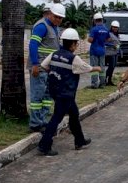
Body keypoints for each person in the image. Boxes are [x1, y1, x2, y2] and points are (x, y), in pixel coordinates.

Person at [37, 28, 101, 156]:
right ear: (72, 44)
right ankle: (44, 145)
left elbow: (43, 66)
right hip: (66, 93)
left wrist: (54, 73)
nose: (76, 46)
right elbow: (85, 68)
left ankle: (80, 140)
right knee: (56, 118)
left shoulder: (54, 54)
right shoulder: (73, 58)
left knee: (74, 114)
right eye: (76, 43)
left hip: (55, 90)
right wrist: (97, 68)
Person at [28, 3, 65, 132]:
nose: (58, 20)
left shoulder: (55, 28)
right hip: (40, 67)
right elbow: (33, 45)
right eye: (56, 17)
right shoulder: (41, 26)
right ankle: (35, 123)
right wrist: (35, 64)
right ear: (50, 14)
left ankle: (43, 120)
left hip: (50, 68)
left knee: (47, 96)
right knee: (37, 95)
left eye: (61, 18)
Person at [87, 12, 109, 88]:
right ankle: (102, 83)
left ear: (94, 20)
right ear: (102, 20)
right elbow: (108, 39)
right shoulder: (106, 29)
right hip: (102, 50)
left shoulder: (94, 29)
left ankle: (94, 84)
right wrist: (102, 41)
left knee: (94, 67)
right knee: (102, 67)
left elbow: (90, 40)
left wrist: (92, 40)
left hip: (94, 51)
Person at [104, 20, 121, 86]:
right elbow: (105, 42)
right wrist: (112, 45)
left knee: (113, 67)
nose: (115, 28)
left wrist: (119, 49)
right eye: (114, 27)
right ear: (111, 27)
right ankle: (105, 79)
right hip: (110, 53)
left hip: (115, 53)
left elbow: (118, 43)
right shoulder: (109, 34)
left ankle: (109, 81)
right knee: (110, 67)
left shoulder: (117, 35)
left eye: (116, 27)